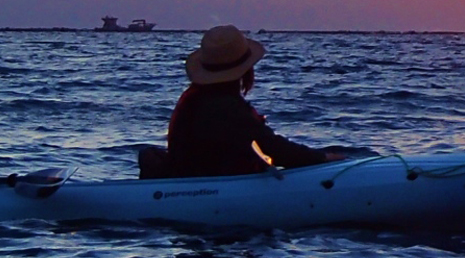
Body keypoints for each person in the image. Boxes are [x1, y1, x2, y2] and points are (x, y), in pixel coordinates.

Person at [139, 25, 342, 179]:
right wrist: (322, 159)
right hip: (206, 187)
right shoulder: (223, 107)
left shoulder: (201, 97)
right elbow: (273, 148)